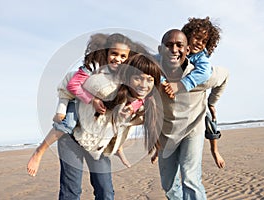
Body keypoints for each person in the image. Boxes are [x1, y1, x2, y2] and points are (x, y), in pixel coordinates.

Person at [27, 33, 136, 177]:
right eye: (114, 54)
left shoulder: (123, 74)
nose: (118, 59)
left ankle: (118, 149)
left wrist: (133, 106)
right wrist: (92, 100)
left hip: (97, 120)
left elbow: (142, 91)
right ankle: (39, 151)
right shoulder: (92, 67)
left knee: (119, 123)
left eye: (123, 56)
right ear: (106, 52)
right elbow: (72, 86)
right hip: (78, 101)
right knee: (67, 124)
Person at [58, 53, 163, 200]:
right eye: (138, 78)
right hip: (73, 138)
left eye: (149, 80)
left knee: (106, 192)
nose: (143, 85)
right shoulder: (107, 88)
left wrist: (156, 147)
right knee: (71, 192)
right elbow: (70, 80)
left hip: (99, 146)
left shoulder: (146, 105)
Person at [157, 29, 229, 199]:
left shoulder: (202, 74)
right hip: (166, 132)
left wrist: (211, 102)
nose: (174, 50)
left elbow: (225, 75)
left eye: (179, 46)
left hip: (192, 129)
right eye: (169, 45)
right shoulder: (154, 68)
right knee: (168, 184)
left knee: (190, 178)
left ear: (187, 49)